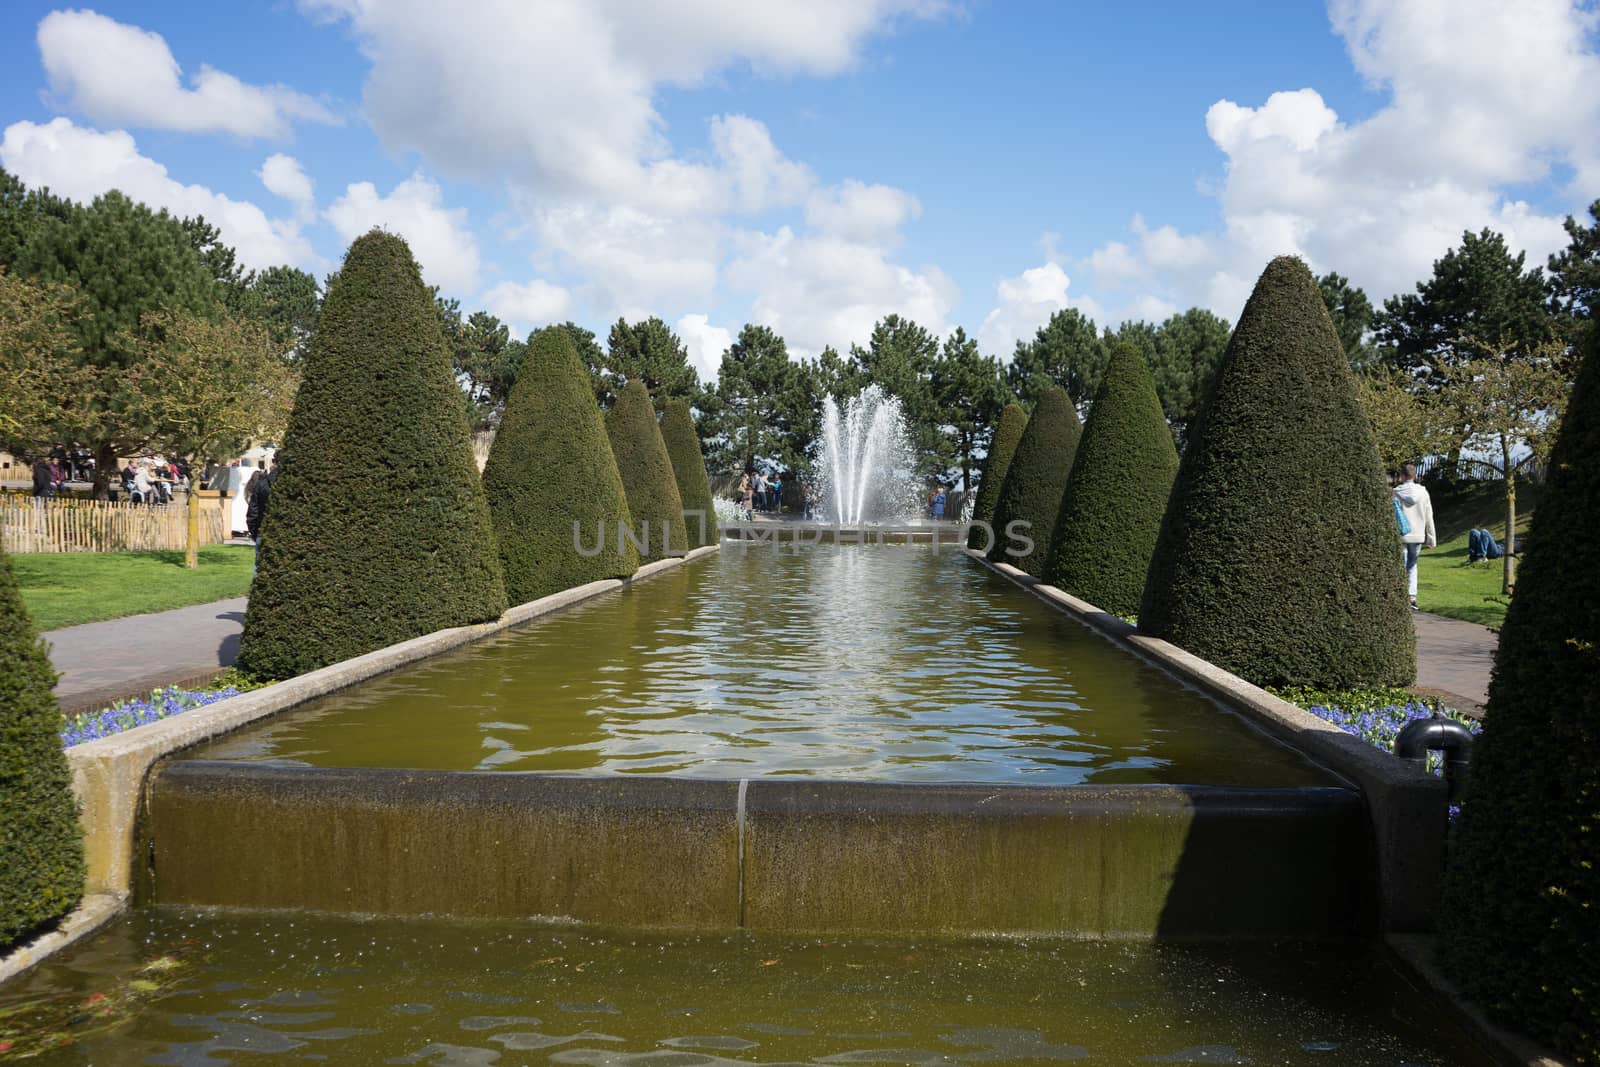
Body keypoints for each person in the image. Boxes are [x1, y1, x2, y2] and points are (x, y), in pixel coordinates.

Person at [1392, 463, 1436, 610]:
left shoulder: (1396, 492)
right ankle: (1411, 598)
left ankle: (1399, 596)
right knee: (1412, 566)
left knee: (1401, 565)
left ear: (1402, 476)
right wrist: (1431, 538)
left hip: (1401, 534)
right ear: (1415, 476)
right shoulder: (1423, 492)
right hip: (1417, 535)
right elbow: (1429, 516)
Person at [246, 457, 277, 575]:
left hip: (263, 529)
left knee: (259, 567)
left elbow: (253, 510)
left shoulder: (261, 484)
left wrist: (254, 531)